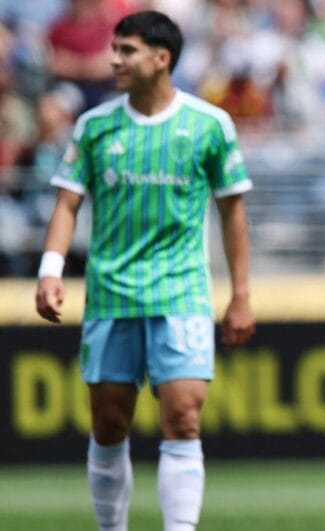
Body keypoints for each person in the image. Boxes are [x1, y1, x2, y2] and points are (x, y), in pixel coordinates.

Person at [34, 11, 255, 531]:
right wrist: (50, 271)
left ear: (162, 58)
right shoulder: (94, 127)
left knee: (183, 419)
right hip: (110, 295)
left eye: (126, 50)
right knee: (109, 425)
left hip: (181, 295)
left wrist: (241, 294)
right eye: (114, 49)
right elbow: (67, 205)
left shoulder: (209, 125)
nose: (114, 59)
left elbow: (233, 213)